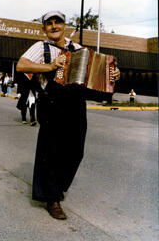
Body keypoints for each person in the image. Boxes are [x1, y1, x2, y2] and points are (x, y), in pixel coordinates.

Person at [16, 11, 120, 220]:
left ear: (64, 25)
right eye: (49, 23)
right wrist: (50, 66)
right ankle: (52, 198)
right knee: (52, 151)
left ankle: (57, 188)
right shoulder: (40, 47)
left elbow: (98, 71)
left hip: (75, 104)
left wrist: (114, 74)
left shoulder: (79, 49)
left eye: (58, 22)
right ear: (44, 28)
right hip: (52, 102)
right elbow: (21, 65)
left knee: (75, 152)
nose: (54, 26)